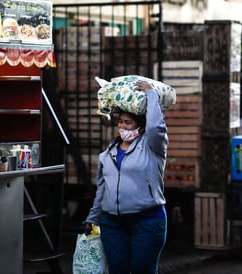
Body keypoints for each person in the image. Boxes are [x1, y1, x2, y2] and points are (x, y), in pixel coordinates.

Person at [84, 80, 168, 274]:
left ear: (140, 126)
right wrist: (93, 216)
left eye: (128, 122)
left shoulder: (152, 146)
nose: (122, 126)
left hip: (147, 221)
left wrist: (151, 94)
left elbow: (156, 127)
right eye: (120, 122)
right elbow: (102, 188)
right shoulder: (108, 153)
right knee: (117, 269)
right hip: (112, 224)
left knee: (141, 270)